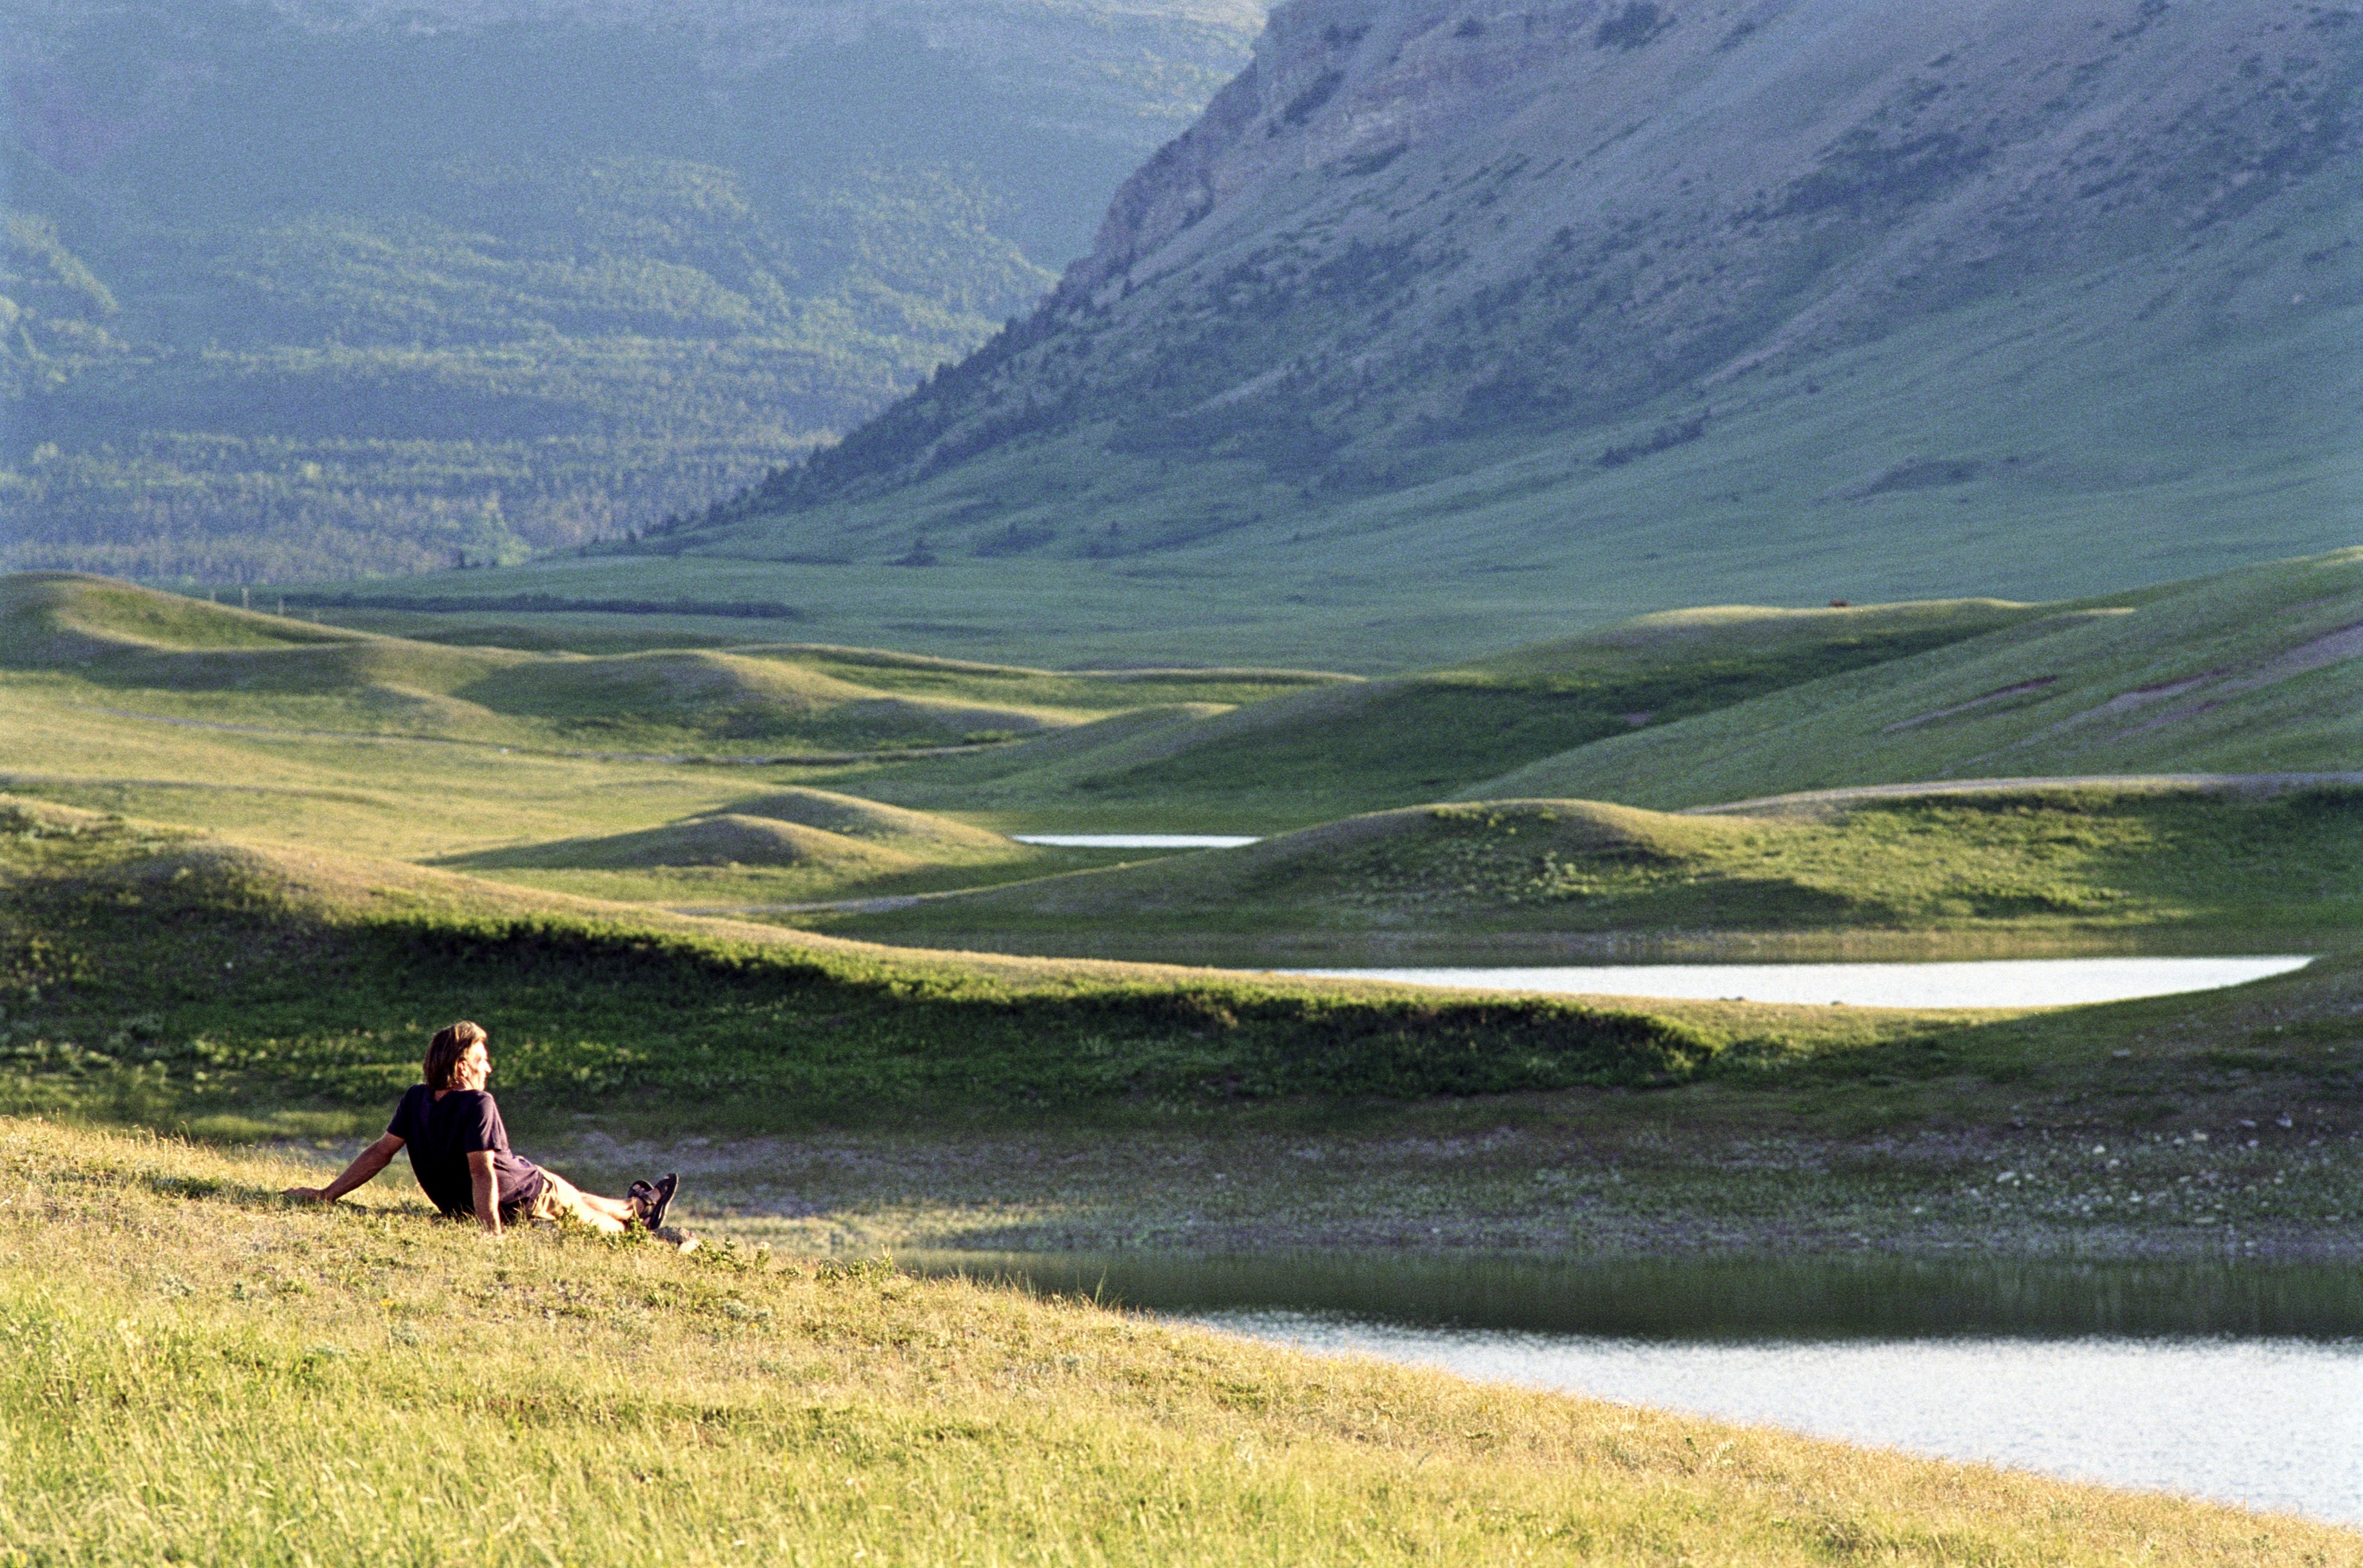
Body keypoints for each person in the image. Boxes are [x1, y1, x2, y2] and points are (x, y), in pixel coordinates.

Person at [284, 1020, 678, 1238]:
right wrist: (491, 1234)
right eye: (481, 1060)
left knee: (568, 1190)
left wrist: (326, 1194)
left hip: (501, 1192)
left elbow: (380, 1153)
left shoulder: (416, 1099)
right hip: (521, 1199)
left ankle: (636, 1205)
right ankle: (638, 1225)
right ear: (461, 1066)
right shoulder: (478, 1104)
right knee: (589, 1219)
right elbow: (482, 1172)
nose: (487, 1068)